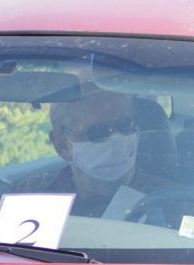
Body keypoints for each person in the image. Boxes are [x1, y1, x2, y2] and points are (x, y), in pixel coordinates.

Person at [21, 87, 163, 219]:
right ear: (62, 145)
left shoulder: (173, 201)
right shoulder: (30, 195)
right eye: (98, 132)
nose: (116, 138)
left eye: (125, 126)